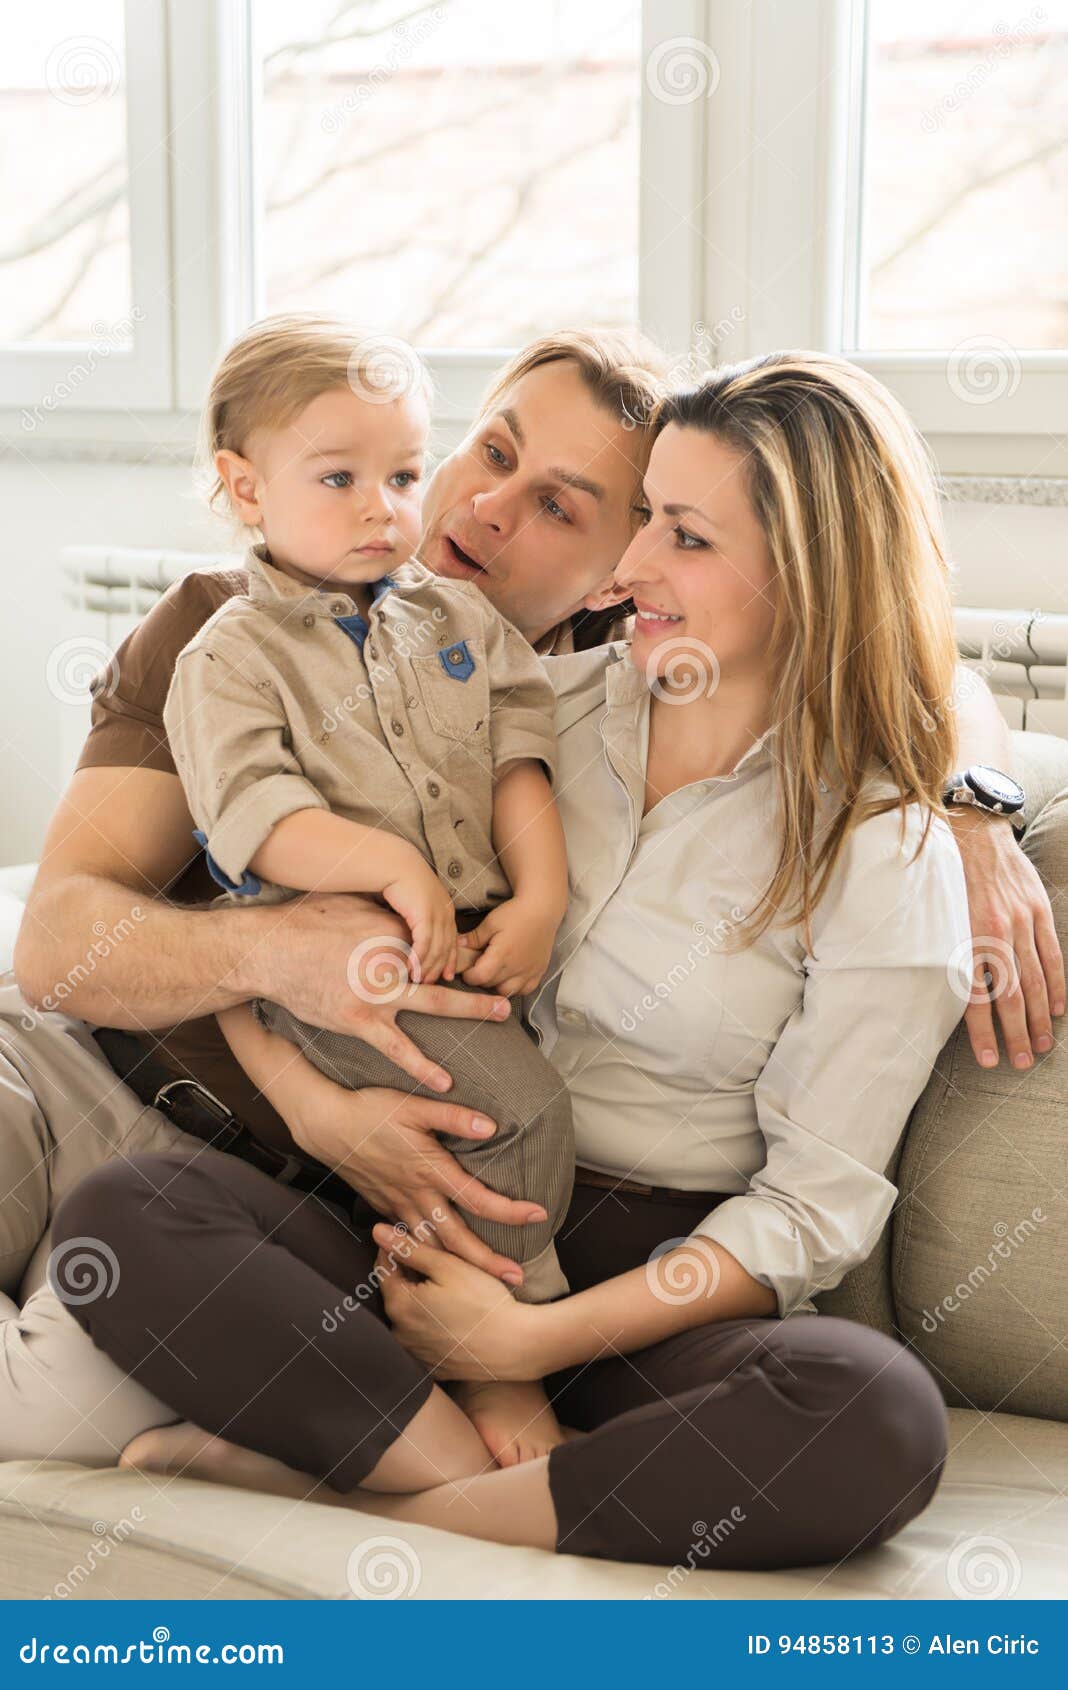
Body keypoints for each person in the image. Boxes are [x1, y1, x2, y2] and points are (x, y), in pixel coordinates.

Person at [2, 329, 1060, 1477]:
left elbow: (897, 658)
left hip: (532, 1248)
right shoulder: (316, 653)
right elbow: (100, 937)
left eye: (581, 510)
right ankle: (471, 1461)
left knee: (873, 1416)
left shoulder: (798, 791)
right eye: (490, 451)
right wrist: (298, 1041)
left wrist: (971, 805)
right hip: (240, 1138)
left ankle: (424, 1487)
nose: (494, 508)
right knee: (130, 1216)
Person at [165, 314, 573, 1460]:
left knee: (467, 1134)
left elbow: (518, 758)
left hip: (472, 945)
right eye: (336, 477)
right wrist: (390, 864)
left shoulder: (458, 620)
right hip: (334, 963)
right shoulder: (228, 655)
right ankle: (505, 1366)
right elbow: (256, 818)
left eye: (399, 475)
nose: (379, 507)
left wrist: (537, 896)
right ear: (245, 489)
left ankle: (327, 1428)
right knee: (521, 1115)